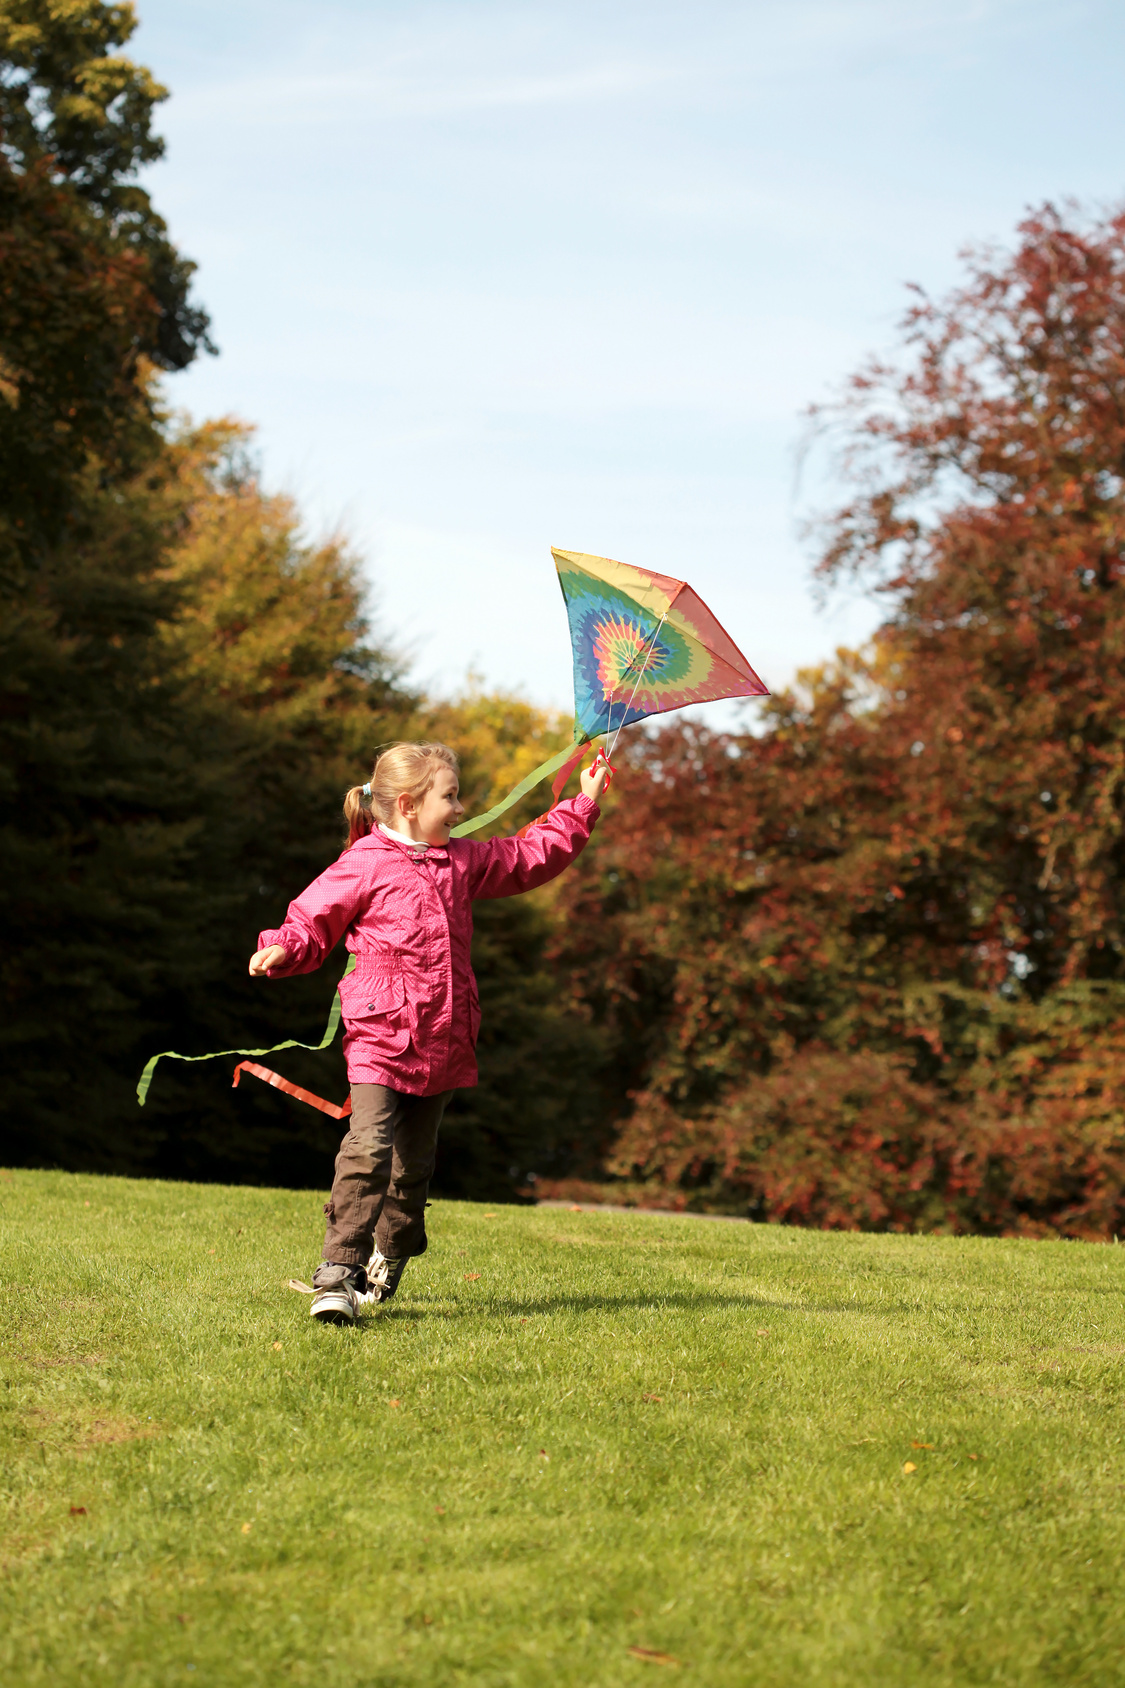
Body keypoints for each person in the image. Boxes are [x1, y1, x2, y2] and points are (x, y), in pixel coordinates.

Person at [248, 740, 607, 1325]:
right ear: (410, 804)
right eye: (450, 796)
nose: (460, 808)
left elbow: (526, 857)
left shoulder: (462, 861)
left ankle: (388, 1259)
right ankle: (337, 1272)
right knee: (367, 1148)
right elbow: (312, 917)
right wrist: (281, 947)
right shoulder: (365, 861)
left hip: (443, 1034)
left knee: (412, 1171)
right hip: (379, 1033)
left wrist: (582, 805)